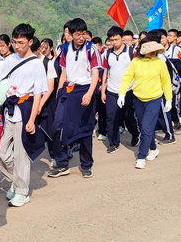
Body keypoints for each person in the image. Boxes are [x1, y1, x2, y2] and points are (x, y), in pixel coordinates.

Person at [0, 24, 48, 207]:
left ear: (30, 42)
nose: (17, 46)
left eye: (21, 42)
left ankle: (22, 191)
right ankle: (15, 182)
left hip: (25, 110)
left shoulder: (37, 64)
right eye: (15, 42)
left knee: (21, 155)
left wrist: (32, 119)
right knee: (1, 151)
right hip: (9, 110)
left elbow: (38, 93)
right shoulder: (9, 60)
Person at [48, 18, 102, 179]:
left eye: (83, 34)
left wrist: (90, 93)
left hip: (86, 90)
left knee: (85, 128)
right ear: (70, 35)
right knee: (58, 126)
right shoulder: (64, 49)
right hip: (68, 90)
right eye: (77, 34)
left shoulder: (92, 49)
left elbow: (95, 74)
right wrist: (59, 90)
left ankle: (86, 164)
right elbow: (63, 72)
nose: (81, 37)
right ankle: (62, 162)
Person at [118, 40, 172, 169]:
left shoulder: (160, 63)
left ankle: (141, 156)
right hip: (138, 98)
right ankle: (153, 148)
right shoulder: (136, 62)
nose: (153, 53)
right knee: (143, 127)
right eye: (150, 51)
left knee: (146, 129)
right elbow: (127, 77)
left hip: (154, 99)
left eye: (155, 51)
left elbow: (166, 81)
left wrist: (168, 99)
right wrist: (122, 93)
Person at [101, 26, 139, 153]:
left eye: (116, 39)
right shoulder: (107, 53)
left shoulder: (131, 52)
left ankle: (135, 133)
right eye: (111, 40)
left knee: (128, 117)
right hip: (112, 90)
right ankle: (113, 142)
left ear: (122, 38)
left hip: (128, 90)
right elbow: (106, 72)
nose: (114, 43)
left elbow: (136, 71)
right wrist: (103, 91)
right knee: (111, 117)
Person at [92, 37, 107, 141]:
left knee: (102, 112)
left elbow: (107, 73)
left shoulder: (104, 57)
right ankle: (92, 126)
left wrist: (104, 85)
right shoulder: (90, 58)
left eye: (98, 48)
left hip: (102, 88)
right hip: (92, 89)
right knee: (92, 111)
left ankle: (102, 131)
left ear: (102, 47)